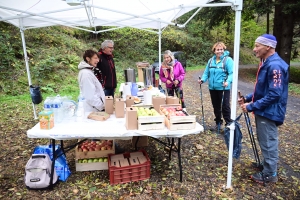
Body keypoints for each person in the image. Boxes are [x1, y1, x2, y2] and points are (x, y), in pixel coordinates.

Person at [238, 34, 289, 184]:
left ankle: (270, 174)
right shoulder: (267, 62)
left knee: (268, 141)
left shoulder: (275, 66)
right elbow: (263, 90)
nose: (254, 49)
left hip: (270, 111)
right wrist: (248, 98)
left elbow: (274, 93)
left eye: (257, 46)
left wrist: (252, 106)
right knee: (264, 139)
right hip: (265, 110)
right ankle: (267, 166)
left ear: (268, 47)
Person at [198, 42, 233, 132]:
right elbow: (206, 73)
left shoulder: (228, 60)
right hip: (212, 88)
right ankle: (218, 123)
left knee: (225, 106)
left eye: (221, 49)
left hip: (223, 88)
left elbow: (232, 73)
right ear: (214, 51)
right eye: (218, 49)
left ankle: (228, 124)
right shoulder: (211, 61)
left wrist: (228, 81)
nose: (219, 51)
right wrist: (202, 80)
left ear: (224, 50)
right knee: (216, 106)